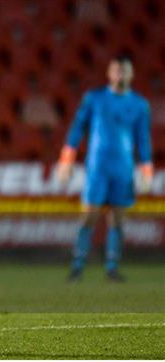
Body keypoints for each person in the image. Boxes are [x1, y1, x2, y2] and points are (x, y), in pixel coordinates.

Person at [57, 55, 153, 282]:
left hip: (123, 169)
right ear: (110, 74)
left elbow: (143, 139)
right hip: (97, 168)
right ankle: (77, 266)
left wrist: (146, 169)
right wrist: (66, 159)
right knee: (89, 216)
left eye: (125, 71)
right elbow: (77, 128)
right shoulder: (94, 99)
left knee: (117, 219)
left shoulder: (140, 105)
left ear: (131, 74)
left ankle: (112, 267)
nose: (121, 75)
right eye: (117, 71)